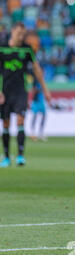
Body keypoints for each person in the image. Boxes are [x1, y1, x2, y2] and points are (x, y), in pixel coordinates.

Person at [0, 22, 51, 167]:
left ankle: (20, 156)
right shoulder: (2, 47)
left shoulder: (27, 50)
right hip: (5, 91)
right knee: (5, 123)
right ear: (12, 31)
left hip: (21, 91)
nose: (21, 37)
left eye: (23, 34)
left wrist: (45, 89)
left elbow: (37, 70)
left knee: (21, 120)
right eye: (19, 34)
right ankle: (6, 157)